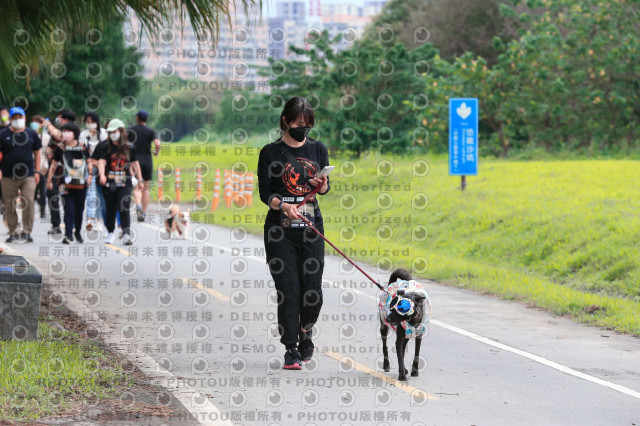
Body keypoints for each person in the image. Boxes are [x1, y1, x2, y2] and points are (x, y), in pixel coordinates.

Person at [257, 96, 331, 370]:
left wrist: (320, 183)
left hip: (311, 228)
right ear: (285, 121)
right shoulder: (269, 152)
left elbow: (324, 189)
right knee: (288, 289)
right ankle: (291, 348)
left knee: (312, 293)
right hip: (280, 231)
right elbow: (266, 194)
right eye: (299, 124)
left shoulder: (318, 149)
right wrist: (285, 206)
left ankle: (306, 331)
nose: (304, 129)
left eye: (308, 125)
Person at [96, 119, 142, 245]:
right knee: (110, 208)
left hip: (125, 181)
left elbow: (135, 163)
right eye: (110, 132)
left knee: (124, 207)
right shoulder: (106, 146)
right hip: (110, 181)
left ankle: (126, 234)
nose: (112, 134)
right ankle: (110, 233)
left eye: (114, 131)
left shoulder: (130, 147)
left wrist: (140, 179)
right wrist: (101, 175)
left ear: (121, 131)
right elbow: (101, 162)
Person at [0, 107, 42, 242]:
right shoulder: (3, 134)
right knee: (9, 204)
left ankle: (27, 231)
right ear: (11, 119)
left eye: (20, 117)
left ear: (24, 118)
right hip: (7, 175)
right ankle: (13, 231)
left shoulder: (31, 133)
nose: (17, 120)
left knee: (28, 201)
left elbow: (37, 153)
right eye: (15, 117)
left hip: (28, 175)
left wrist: (37, 171)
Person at [46, 122, 91, 244]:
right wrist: (49, 180)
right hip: (64, 183)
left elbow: (89, 162)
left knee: (79, 210)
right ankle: (68, 234)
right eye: (64, 131)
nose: (66, 134)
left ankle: (77, 231)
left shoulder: (82, 147)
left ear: (75, 134)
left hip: (81, 183)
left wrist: (91, 175)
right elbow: (54, 165)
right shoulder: (60, 149)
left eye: (68, 131)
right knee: (68, 209)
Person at [42, 108, 76, 235]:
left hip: (70, 171)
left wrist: (48, 125)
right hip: (55, 169)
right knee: (52, 195)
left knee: (69, 198)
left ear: (65, 119)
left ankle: (71, 225)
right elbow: (52, 146)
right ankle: (56, 224)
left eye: (59, 117)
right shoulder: (56, 132)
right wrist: (49, 152)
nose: (58, 120)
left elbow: (60, 137)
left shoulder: (73, 132)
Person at [128, 110, 159, 222]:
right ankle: (144, 213)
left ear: (137, 118)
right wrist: (156, 151)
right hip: (147, 160)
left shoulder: (130, 130)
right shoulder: (150, 131)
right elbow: (157, 144)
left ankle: (138, 205)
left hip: (134, 160)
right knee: (146, 188)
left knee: (136, 186)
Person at [79, 112, 107, 231]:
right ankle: (89, 219)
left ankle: (99, 220)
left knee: (100, 195)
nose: (90, 124)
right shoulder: (83, 135)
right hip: (87, 167)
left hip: (101, 167)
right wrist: (89, 162)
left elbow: (106, 151)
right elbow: (82, 152)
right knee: (90, 194)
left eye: (92, 121)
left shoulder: (103, 134)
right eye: (87, 122)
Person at [29, 115, 47, 218]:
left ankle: (43, 209)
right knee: (31, 189)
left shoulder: (45, 137)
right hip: (28, 165)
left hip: (41, 166)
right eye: (33, 122)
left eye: (37, 122)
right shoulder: (27, 134)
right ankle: (31, 208)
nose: (34, 124)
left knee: (42, 188)